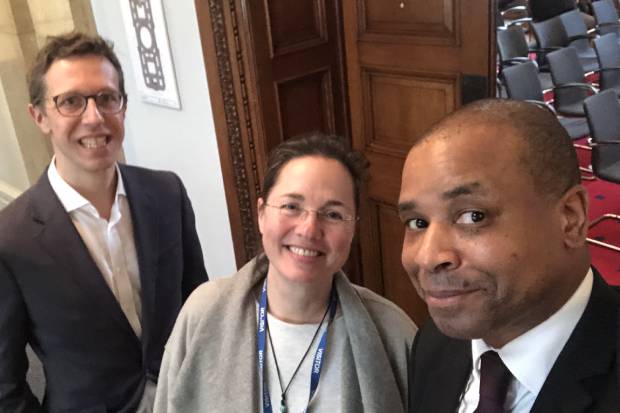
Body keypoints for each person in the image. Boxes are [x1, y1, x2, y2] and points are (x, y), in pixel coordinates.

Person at [0, 32, 208, 412]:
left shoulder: (167, 194)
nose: (94, 118)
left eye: (107, 98)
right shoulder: (10, 239)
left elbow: (200, 305)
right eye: (71, 102)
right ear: (39, 116)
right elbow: (4, 383)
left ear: (123, 107)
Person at [154, 133, 417, 412]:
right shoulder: (202, 312)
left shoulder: (393, 333)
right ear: (261, 214)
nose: (308, 229)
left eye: (333, 214)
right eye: (291, 206)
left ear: (353, 229)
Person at [401, 99, 620, 412]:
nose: (428, 256)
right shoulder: (435, 343)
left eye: (473, 216)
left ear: (570, 218)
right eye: (417, 223)